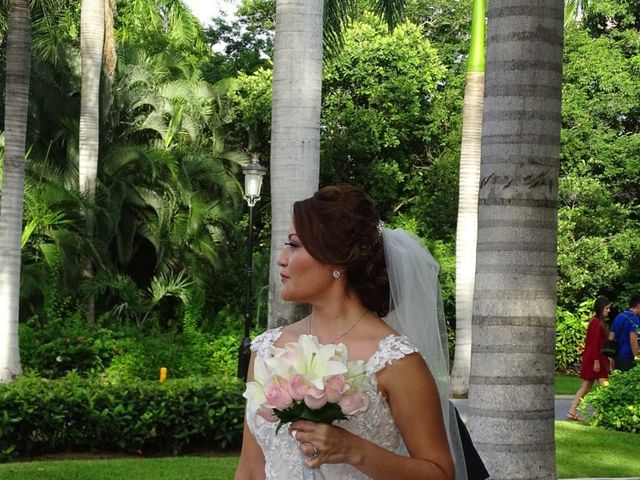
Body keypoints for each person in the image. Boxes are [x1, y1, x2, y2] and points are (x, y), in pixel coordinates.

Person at [234, 185, 468, 480]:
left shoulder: (395, 360)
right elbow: (251, 470)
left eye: (294, 245)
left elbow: (439, 473)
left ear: (335, 261)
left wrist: (355, 450)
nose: (281, 258)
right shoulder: (267, 349)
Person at [566, 295, 611, 421]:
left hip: (592, 358)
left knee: (586, 386)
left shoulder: (594, 322)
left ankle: (572, 410)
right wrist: (597, 361)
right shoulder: (597, 323)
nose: (609, 310)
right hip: (596, 359)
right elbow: (595, 343)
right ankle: (598, 413)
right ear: (601, 308)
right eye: (607, 308)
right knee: (605, 387)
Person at [609, 294, 640, 372]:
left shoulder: (619, 317)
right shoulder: (634, 320)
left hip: (617, 357)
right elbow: (633, 342)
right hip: (629, 358)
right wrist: (637, 359)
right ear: (638, 305)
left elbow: (611, 337)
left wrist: (611, 357)